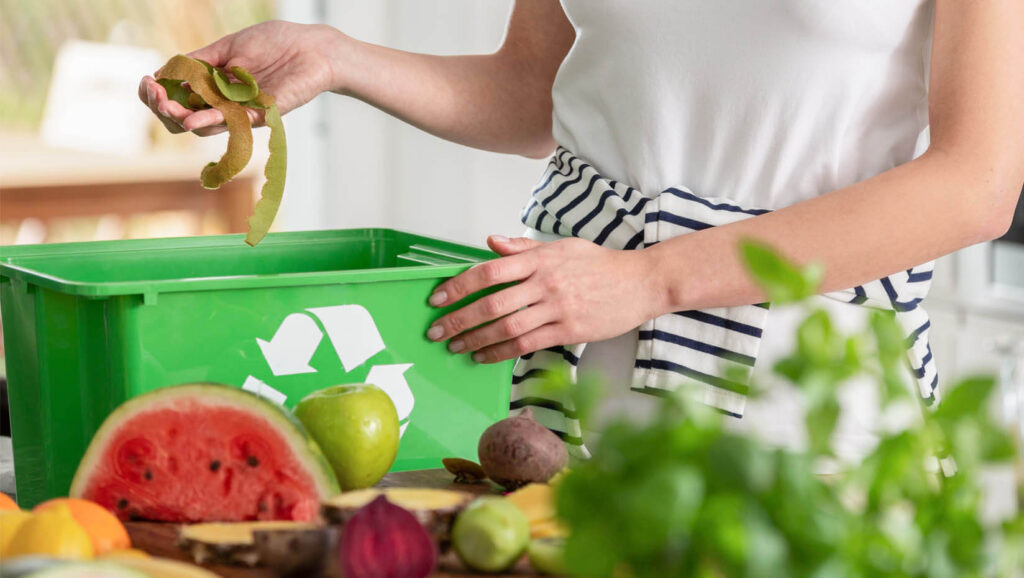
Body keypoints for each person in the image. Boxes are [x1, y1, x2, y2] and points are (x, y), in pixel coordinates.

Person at [140, 1, 1024, 462]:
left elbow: (975, 183)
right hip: (565, 374)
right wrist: (338, 58)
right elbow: (536, 91)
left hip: (805, 385)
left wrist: (651, 280)